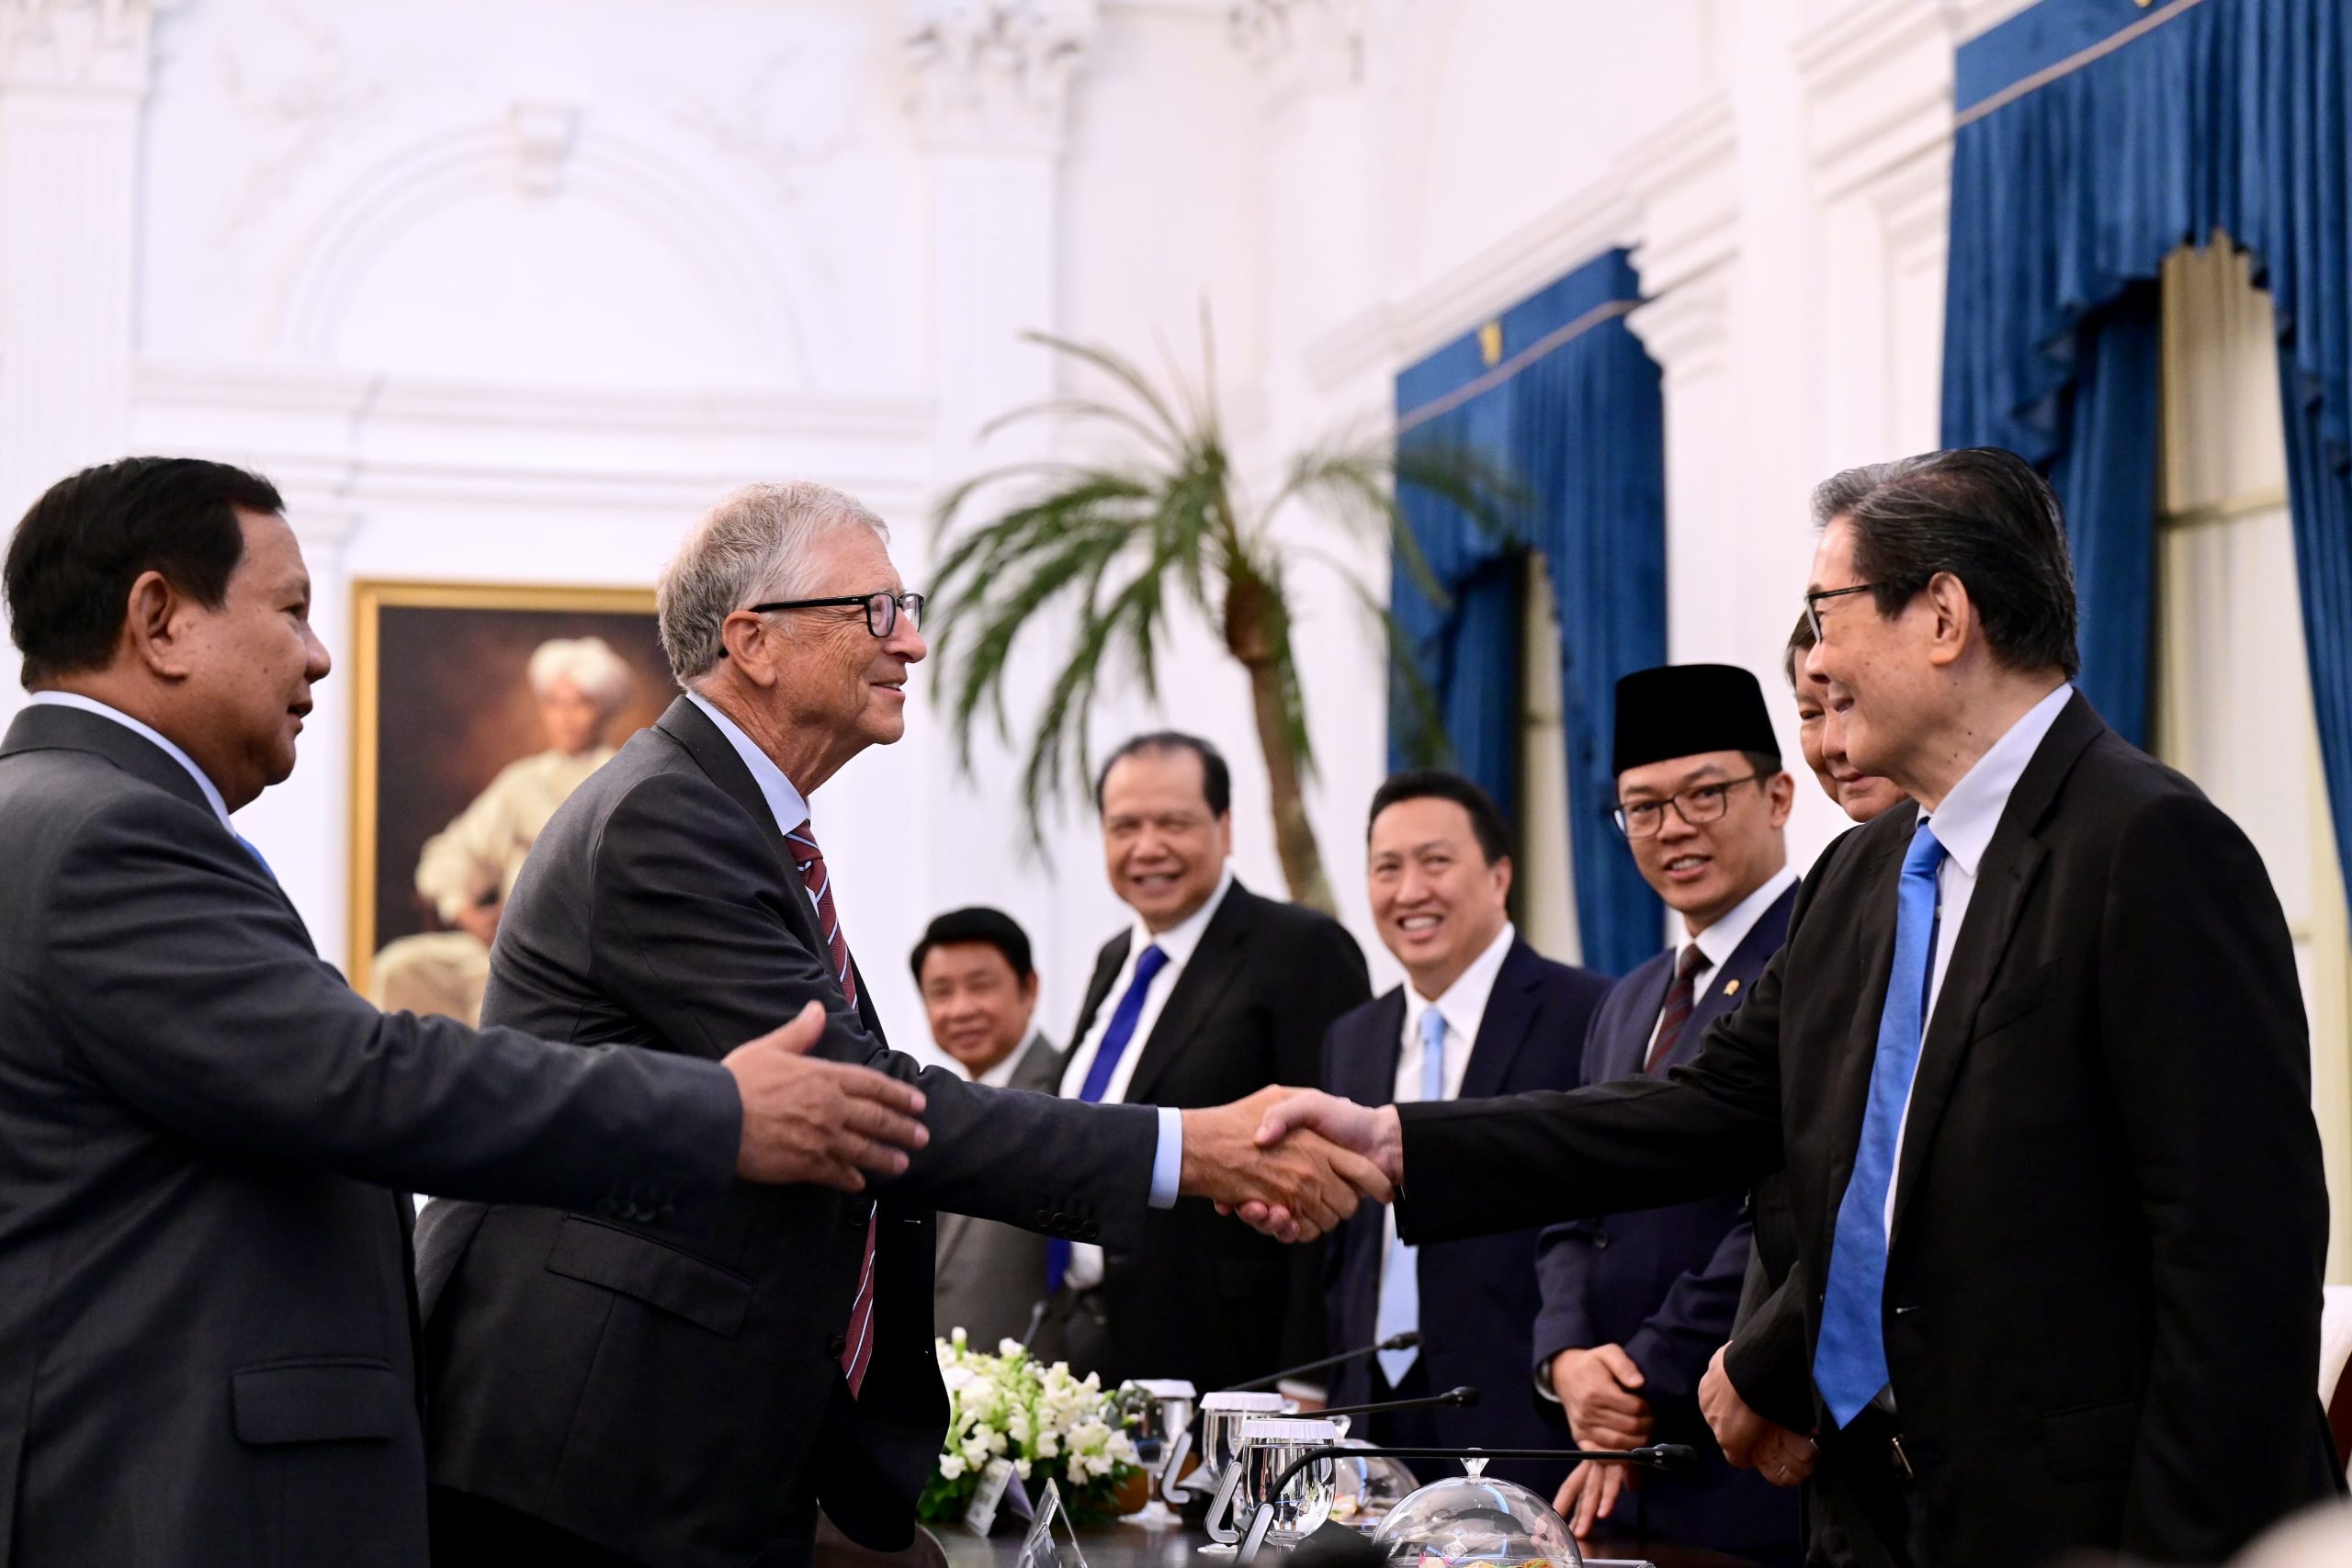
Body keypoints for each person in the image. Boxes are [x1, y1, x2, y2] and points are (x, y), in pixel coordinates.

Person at [1250, 448, 2343, 1568]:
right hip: (1864, 1510)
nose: (1812, 660)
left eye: (1825, 617)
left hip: (2077, 1525)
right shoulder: (1866, 875)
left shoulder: (2150, 847)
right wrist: (1395, 1142)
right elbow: (1697, 1109)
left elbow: (2236, 1269)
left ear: (1944, 615)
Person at [416, 483, 1388, 1568]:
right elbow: (858, 1103)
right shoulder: (664, 818)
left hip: (673, 1431)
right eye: (875, 611)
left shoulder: (722, 815)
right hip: (591, 1441)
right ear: (755, 641)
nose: (912, 643)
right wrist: (1186, 1149)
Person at [0, 457, 935, 1568]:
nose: (319, 650)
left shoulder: (65, 812)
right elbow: (362, 1078)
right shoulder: (107, 832)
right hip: (165, 1487)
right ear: (159, 619)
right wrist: (723, 1112)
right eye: (292, 610)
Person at [1534, 664, 1800, 1562]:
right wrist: (1567, 1357)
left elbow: (1785, 1210)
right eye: (1641, 808)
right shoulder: (1632, 995)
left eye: (1704, 795)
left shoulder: (1817, 959)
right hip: (1607, 1457)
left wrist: (1641, 1373)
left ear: (1776, 795)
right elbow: (1570, 1202)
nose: (1672, 828)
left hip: (1743, 1453)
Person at [1033, 730, 1372, 1397]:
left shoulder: (1300, 950)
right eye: (1124, 825)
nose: (1147, 846)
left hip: (1237, 1366)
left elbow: (1339, 1173)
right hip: (1095, 1347)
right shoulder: (1115, 961)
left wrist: (1310, 1375)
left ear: (1225, 825)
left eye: (1174, 822)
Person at [1322, 770, 1608, 1488]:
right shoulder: (1353, 1035)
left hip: (1519, 1416)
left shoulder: (1588, 1013)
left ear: (1499, 874)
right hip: (1369, 1412)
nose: (1410, 890)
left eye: (1436, 861)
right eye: (1388, 868)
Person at [371, 634, 636, 1024]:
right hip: (504, 948)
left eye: (579, 703)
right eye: (554, 703)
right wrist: (460, 909)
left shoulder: (627, 779)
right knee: (402, 966)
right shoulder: (522, 783)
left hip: (584, 959)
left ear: (604, 710)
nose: (564, 717)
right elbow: (456, 850)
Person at [912, 906, 1066, 1348]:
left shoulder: (1068, 1097)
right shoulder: (937, 1108)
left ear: (1029, 988)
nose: (960, 1009)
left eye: (980, 986)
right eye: (940, 992)